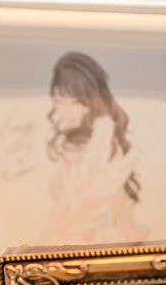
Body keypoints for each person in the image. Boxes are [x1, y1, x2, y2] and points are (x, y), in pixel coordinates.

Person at [44, 51, 147, 243]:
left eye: (69, 102)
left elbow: (107, 211)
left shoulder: (104, 150)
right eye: (57, 101)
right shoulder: (75, 147)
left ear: (88, 103)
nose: (60, 110)